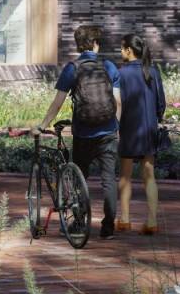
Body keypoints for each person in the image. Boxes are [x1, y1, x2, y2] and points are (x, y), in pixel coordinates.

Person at [23, 22, 126, 237]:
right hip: (108, 132)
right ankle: (108, 227)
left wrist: (42, 125)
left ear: (79, 45)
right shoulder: (109, 67)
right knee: (109, 180)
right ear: (96, 44)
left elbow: (58, 102)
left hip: (83, 133)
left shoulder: (72, 68)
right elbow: (117, 102)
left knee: (78, 177)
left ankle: (78, 223)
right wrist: (115, 127)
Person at [116, 35, 169, 236]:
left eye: (122, 49)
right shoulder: (153, 72)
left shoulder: (121, 73)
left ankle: (125, 219)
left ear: (129, 50)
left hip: (129, 128)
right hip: (149, 128)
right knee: (149, 175)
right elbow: (161, 103)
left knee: (126, 175)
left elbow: (117, 102)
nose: (120, 52)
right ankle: (152, 221)